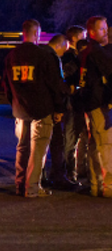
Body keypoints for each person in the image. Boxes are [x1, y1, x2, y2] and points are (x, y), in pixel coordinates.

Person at [3, 20, 66, 197]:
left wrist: (14, 103)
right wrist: (58, 108)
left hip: (20, 109)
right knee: (38, 149)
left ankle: (20, 184)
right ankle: (32, 188)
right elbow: (54, 84)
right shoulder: (43, 56)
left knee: (22, 148)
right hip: (41, 109)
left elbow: (6, 85)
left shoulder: (11, 56)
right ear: (37, 33)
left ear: (23, 33)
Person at [78, 16, 112, 197]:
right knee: (106, 144)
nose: (106, 31)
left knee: (94, 143)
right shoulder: (97, 52)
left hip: (89, 104)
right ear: (92, 31)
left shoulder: (86, 51)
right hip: (99, 103)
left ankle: (95, 183)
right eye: (102, 28)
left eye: (106, 27)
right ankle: (108, 185)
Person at [43, 34, 78, 190]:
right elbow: (57, 83)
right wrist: (60, 106)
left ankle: (41, 176)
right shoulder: (53, 58)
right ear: (59, 45)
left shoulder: (40, 55)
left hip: (38, 106)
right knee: (57, 142)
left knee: (40, 144)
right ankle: (58, 176)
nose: (65, 52)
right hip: (51, 106)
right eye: (65, 48)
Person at [62, 25, 88, 183]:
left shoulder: (71, 56)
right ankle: (70, 171)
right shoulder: (70, 58)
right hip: (72, 101)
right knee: (71, 137)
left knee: (75, 136)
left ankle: (76, 169)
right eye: (83, 36)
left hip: (75, 101)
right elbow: (70, 80)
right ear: (75, 38)